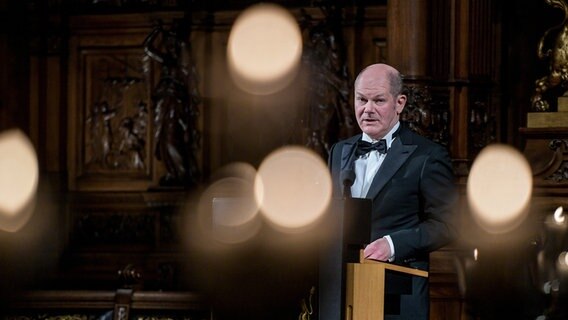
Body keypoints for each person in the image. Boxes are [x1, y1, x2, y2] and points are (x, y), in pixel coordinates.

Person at [328, 63, 458, 319]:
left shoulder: (428, 156)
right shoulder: (339, 151)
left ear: (399, 103)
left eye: (378, 100)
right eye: (361, 100)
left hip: (397, 295)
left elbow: (448, 225)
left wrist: (393, 244)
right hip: (341, 293)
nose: (367, 109)